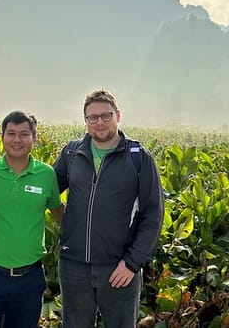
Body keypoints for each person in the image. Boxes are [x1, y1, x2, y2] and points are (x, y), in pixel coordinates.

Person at [53, 89, 164, 328]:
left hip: (119, 267)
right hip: (74, 266)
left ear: (118, 115)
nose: (99, 122)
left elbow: (153, 215)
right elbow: (47, 192)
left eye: (106, 115)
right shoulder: (72, 153)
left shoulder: (138, 158)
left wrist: (132, 263)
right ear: (85, 121)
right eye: (93, 117)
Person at [0, 110, 64, 328]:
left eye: (24, 134)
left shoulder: (46, 174)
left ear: (34, 139)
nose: (17, 140)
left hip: (30, 278)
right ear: (1, 137)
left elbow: (58, 211)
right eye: (11, 133)